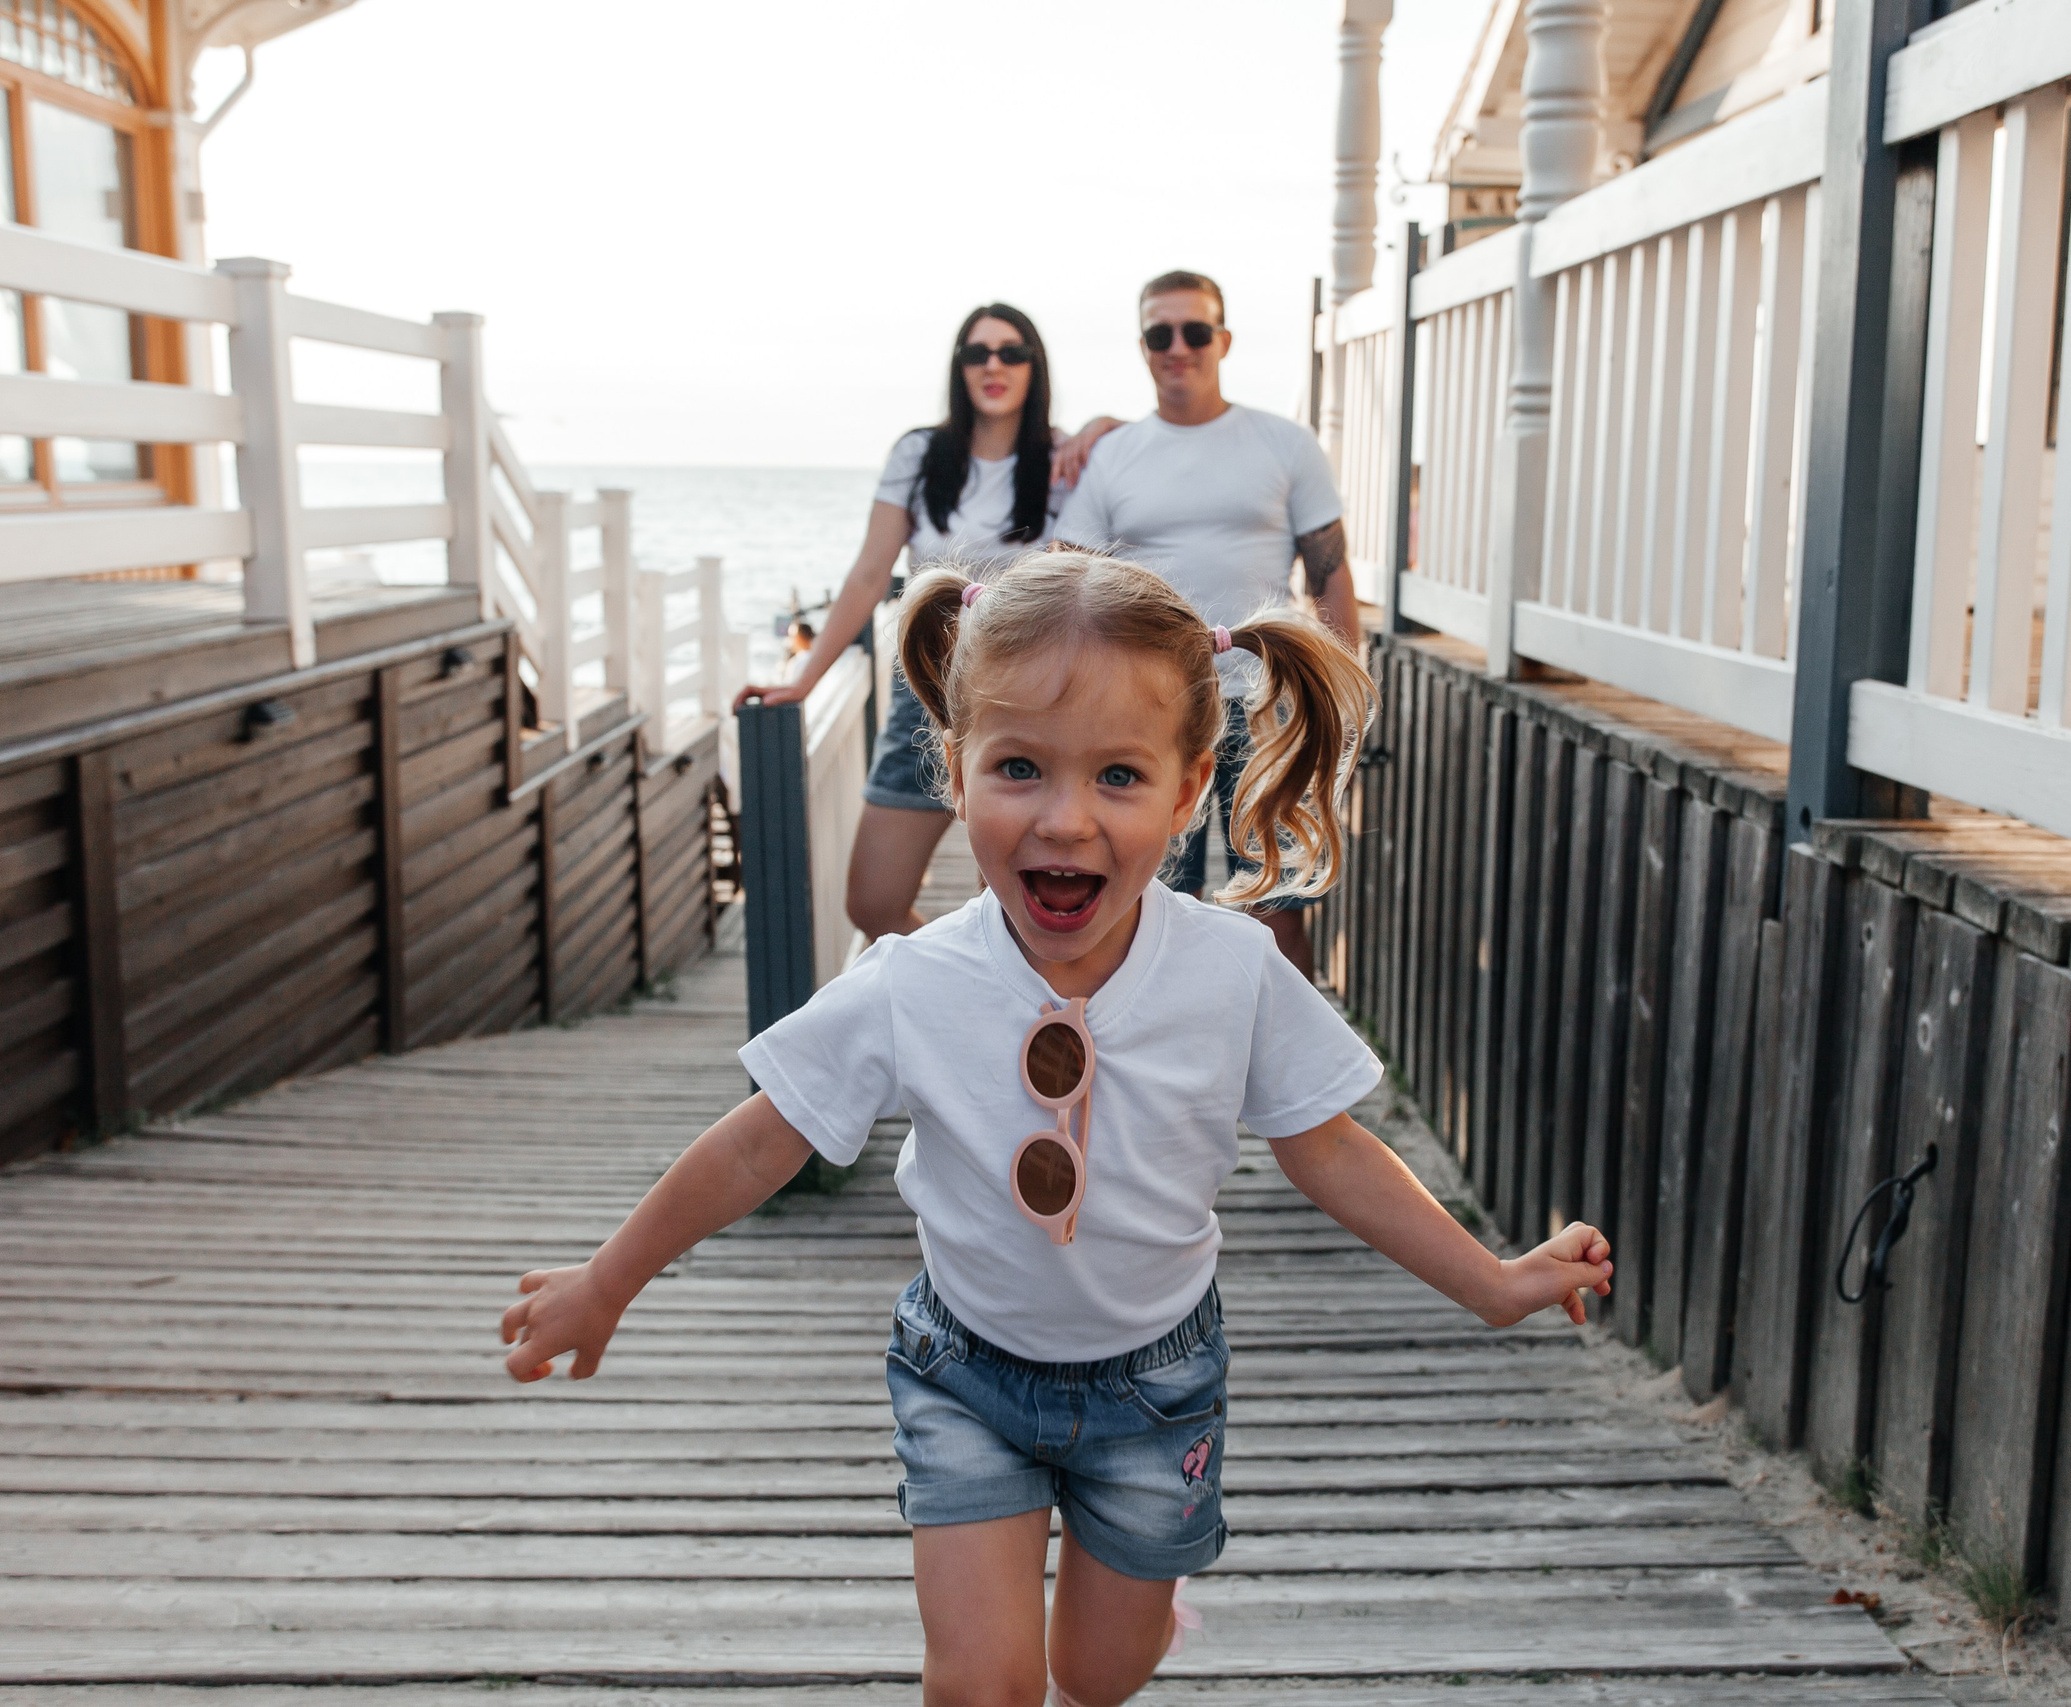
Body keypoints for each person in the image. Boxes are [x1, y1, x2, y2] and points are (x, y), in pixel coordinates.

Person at [502, 552, 1614, 1707]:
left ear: (1188, 792)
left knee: (1096, 1674)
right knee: (983, 1685)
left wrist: (1490, 1281)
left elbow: (1326, 1146)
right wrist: (608, 1279)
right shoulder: (912, 982)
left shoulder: (1232, 971)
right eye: (1018, 768)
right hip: (962, 1372)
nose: (1065, 819)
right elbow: (756, 1141)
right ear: (956, 772)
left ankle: (1139, 1613)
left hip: (1157, 1388)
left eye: (1119, 775)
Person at [746, 302, 1107, 940]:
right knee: (873, 901)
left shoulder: (1063, 459)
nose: (993, 366)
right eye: (977, 353)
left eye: (1011, 352)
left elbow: (1081, 582)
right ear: (959, 367)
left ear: (1035, 366)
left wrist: (1107, 426)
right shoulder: (919, 454)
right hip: (927, 691)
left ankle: (1004, 1001)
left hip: (1028, 697)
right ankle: (957, 984)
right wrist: (802, 680)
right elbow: (868, 575)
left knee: (1016, 913)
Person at [1055, 270, 1360, 980]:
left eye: (1195, 330)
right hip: (1148, 709)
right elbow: (1070, 582)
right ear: (1143, 346)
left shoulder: (1284, 443)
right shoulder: (1114, 455)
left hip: (1267, 703)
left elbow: (1330, 576)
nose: (1178, 347)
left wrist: (1344, 703)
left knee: (1281, 903)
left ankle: (1288, 1048)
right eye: (1160, 334)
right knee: (1151, 904)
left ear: (1223, 340)